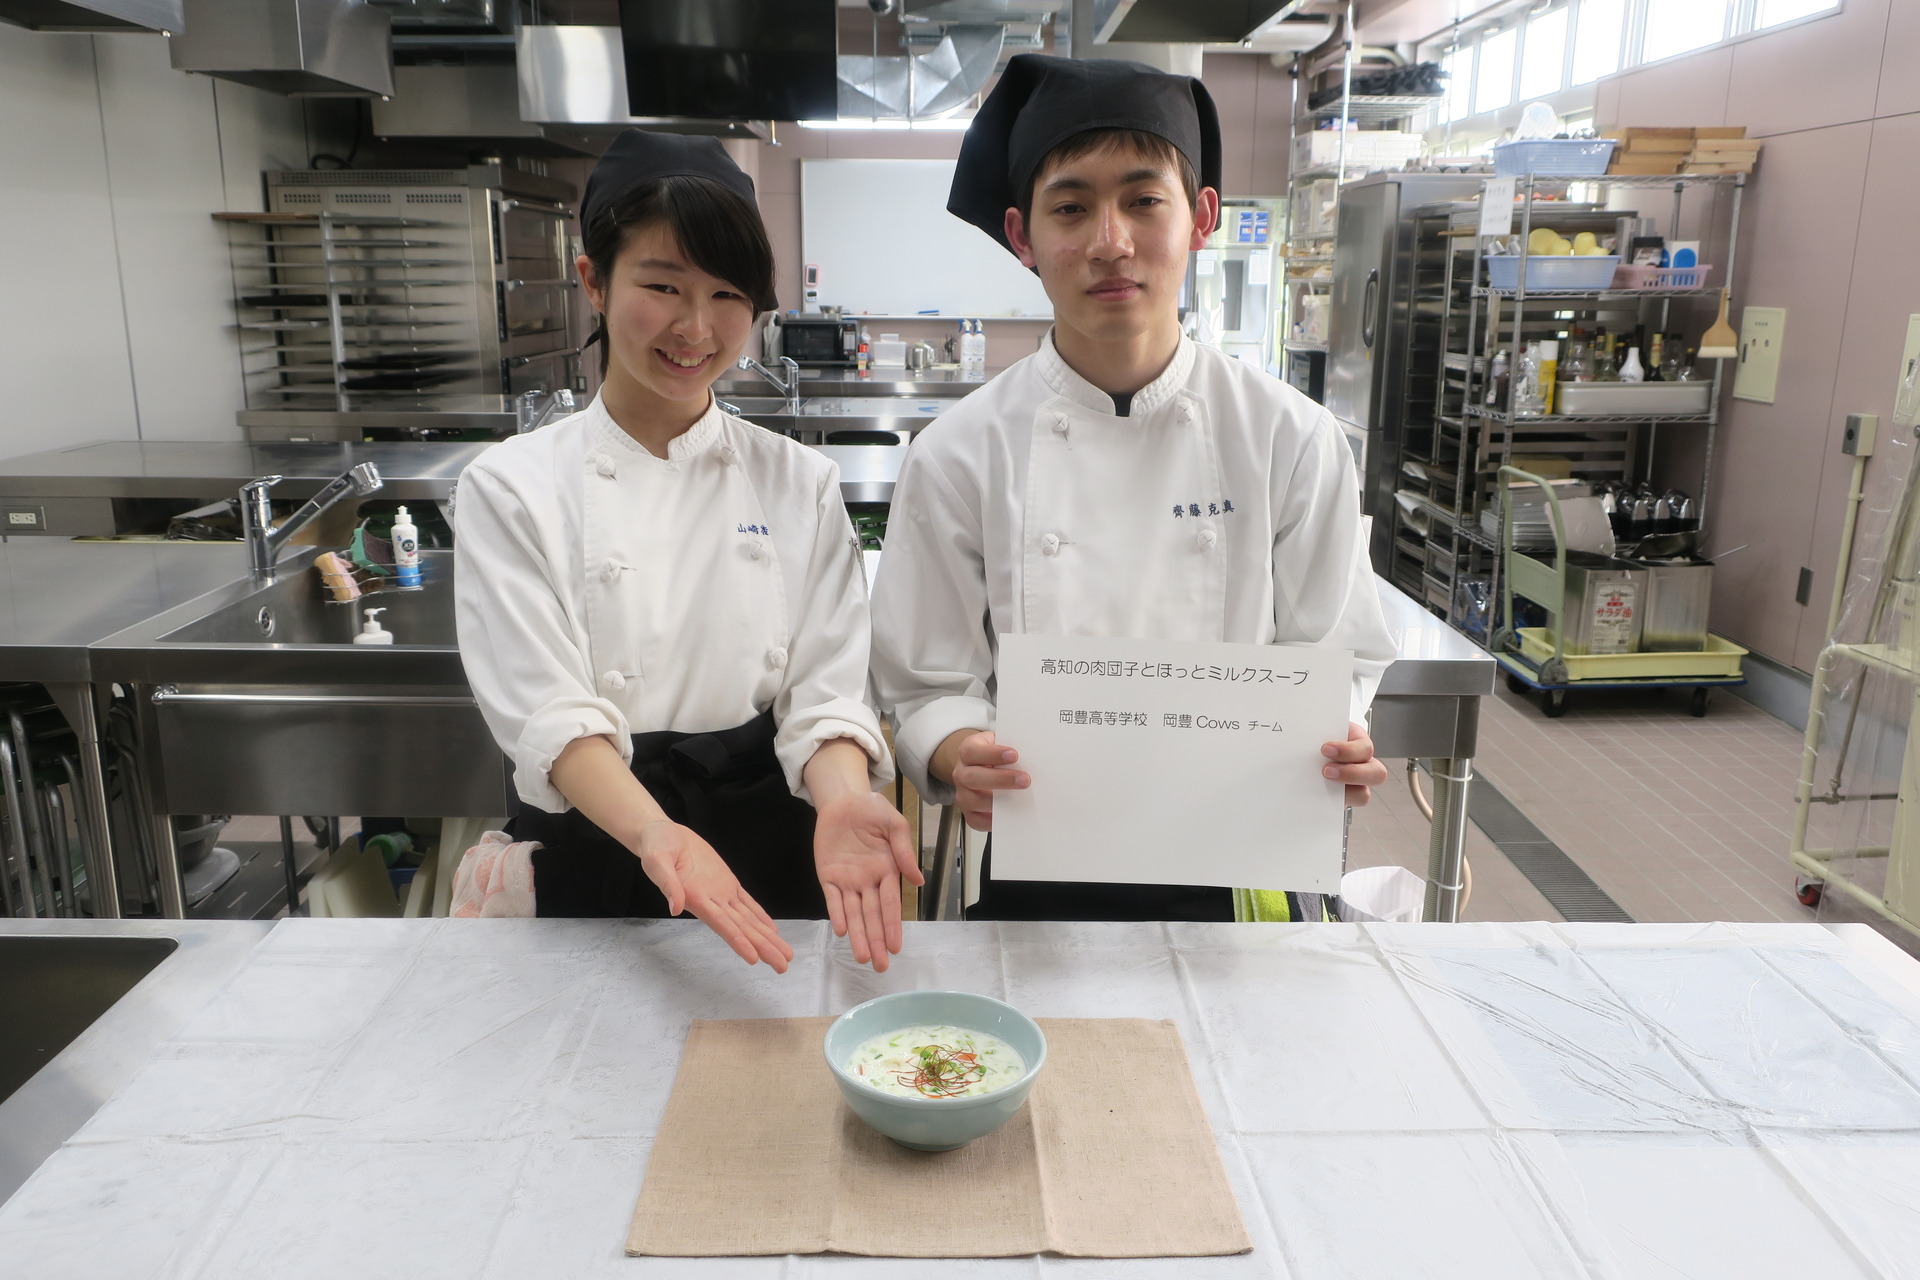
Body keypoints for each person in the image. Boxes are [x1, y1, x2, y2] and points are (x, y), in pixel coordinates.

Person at [870, 55, 1396, 923]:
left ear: (1201, 216)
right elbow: (926, 685)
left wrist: (1332, 739)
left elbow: (1330, 655)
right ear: (1022, 236)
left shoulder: (1289, 438)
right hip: (1040, 857)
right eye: (1071, 206)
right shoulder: (960, 452)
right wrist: (963, 749)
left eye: (1143, 200)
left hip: (1244, 860)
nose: (1110, 240)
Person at [455, 130, 919, 971]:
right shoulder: (512, 485)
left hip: (776, 850)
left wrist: (845, 797)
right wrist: (656, 835)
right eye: (662, 286)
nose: (696, 328)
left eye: (727, 294)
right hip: (601, 839)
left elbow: (824, 693)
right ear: (593, 279)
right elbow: (548, 714)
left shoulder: (799, 481)